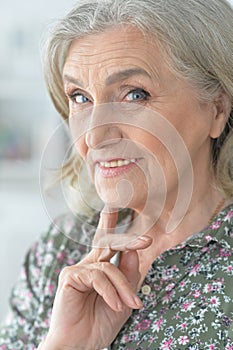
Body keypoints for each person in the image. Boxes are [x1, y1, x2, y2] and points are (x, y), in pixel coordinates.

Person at [1, 0, 233, 348]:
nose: (94, 136)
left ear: (217, 107)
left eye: (134, 95)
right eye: (80, 97)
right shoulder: (56, 252)